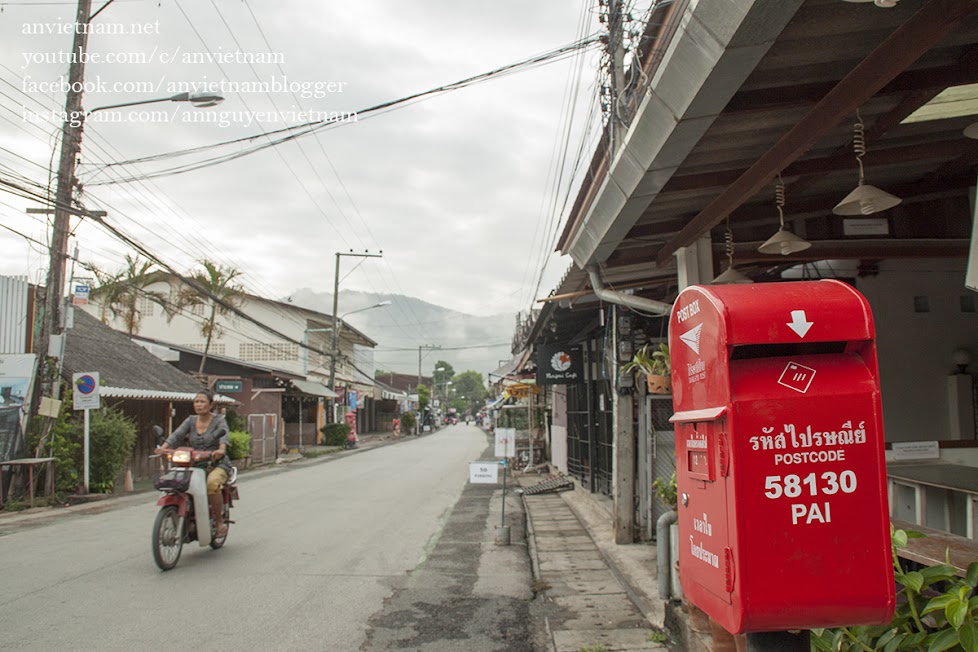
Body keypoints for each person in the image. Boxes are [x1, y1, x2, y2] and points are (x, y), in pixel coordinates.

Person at [156, 389, 230, 537]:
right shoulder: (190, 420)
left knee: (212, 484)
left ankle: (219, 521)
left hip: (215, 463)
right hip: (193, 463)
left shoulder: (219, 420)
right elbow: (176, 435)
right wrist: (162, 448)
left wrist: (220, 450)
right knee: (176, 483)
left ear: (211, 405)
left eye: (202, 402)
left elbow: (224, 438)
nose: (198, 405)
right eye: (196, 401)